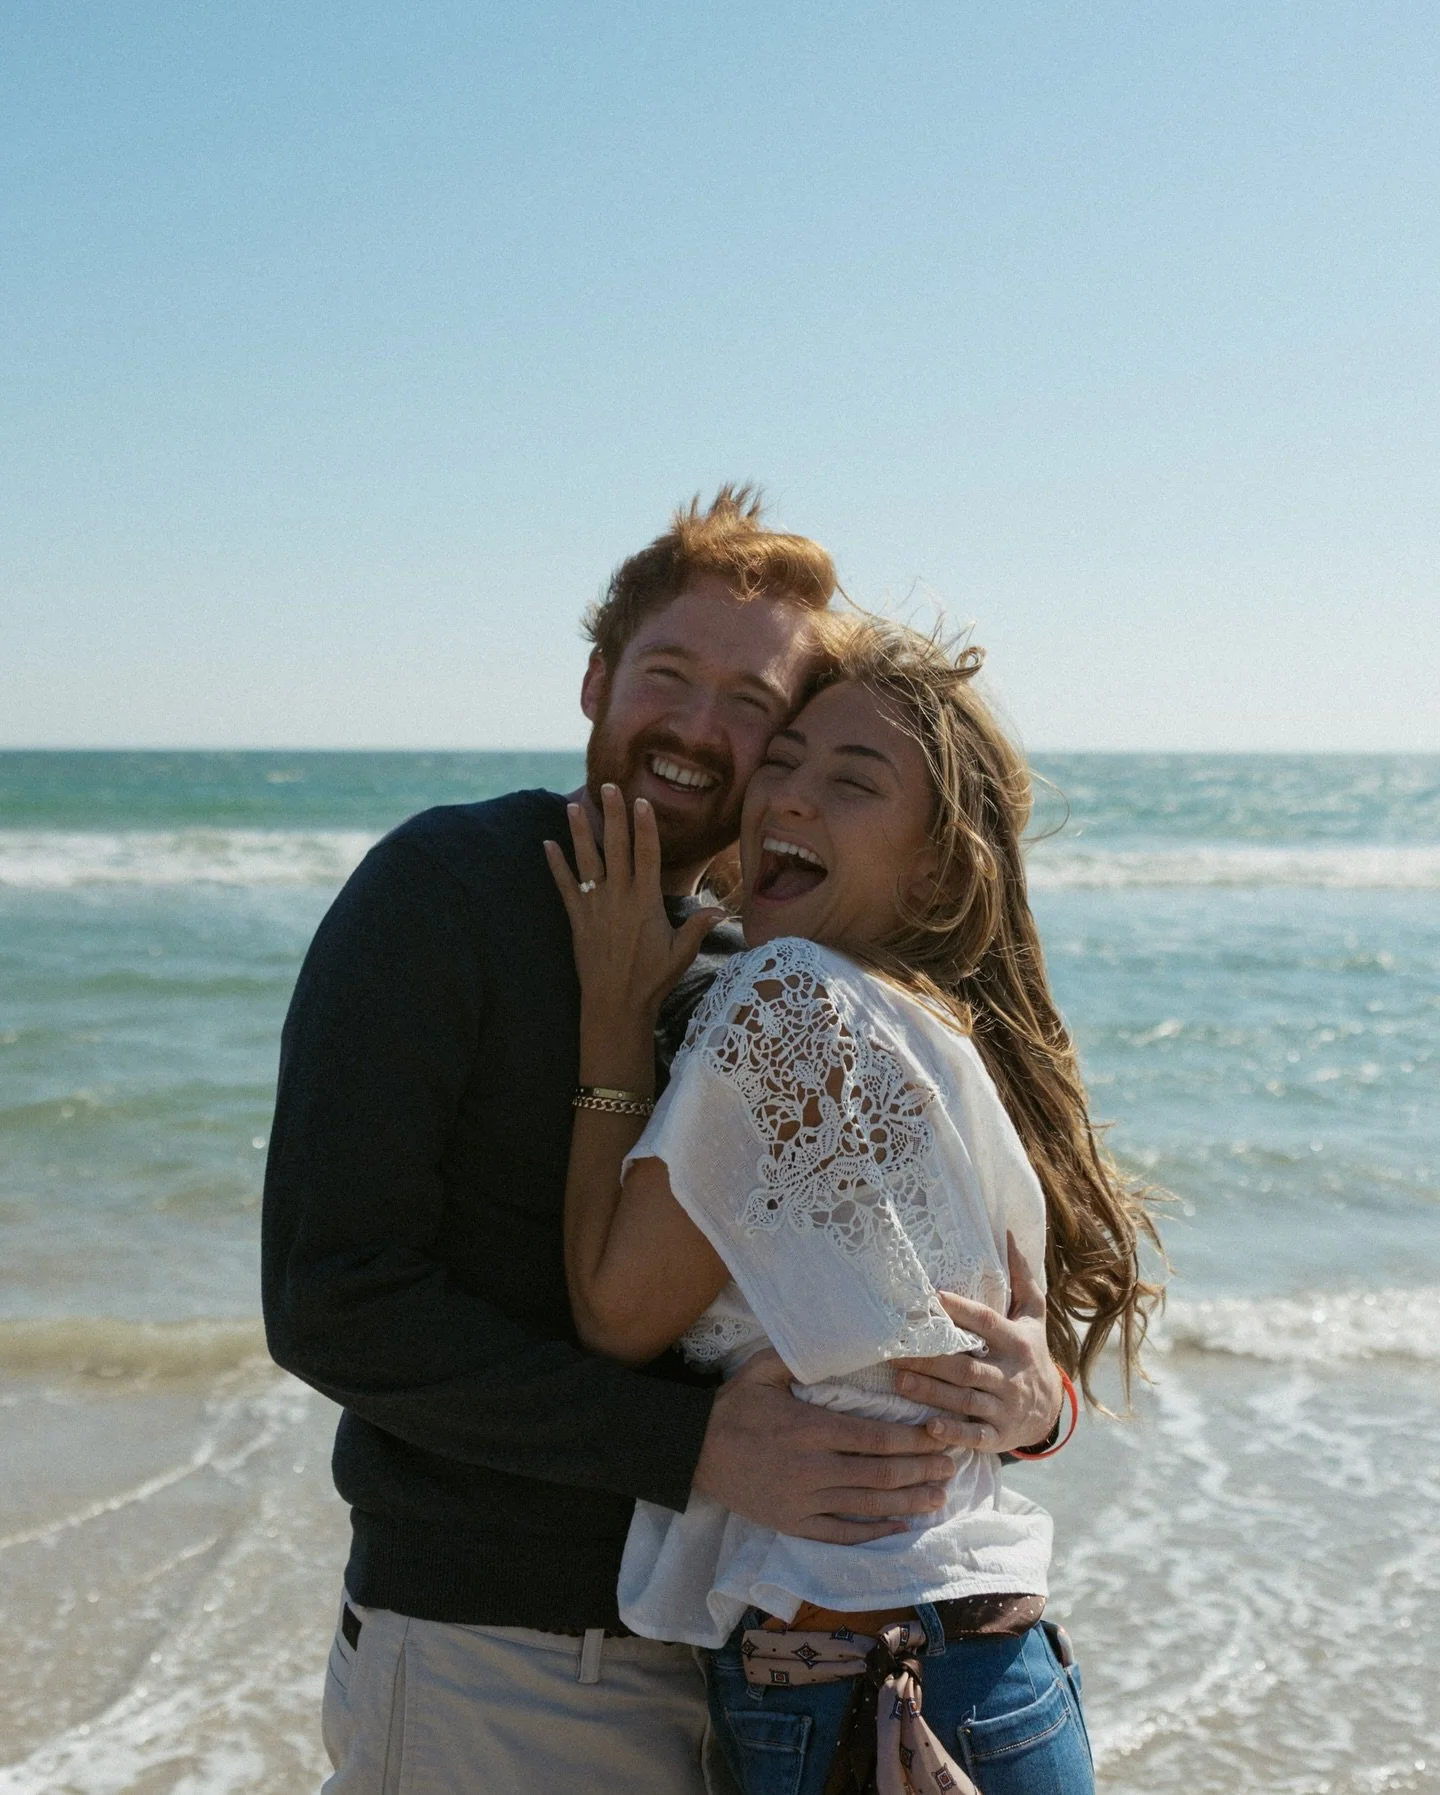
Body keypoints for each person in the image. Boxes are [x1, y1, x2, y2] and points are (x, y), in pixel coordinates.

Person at [262, 490, 1064, 1795]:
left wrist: (1034, 1407)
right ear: (596, 679)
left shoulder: (779, 961)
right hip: (503, 1658)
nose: (698, 727)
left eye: (752, 704)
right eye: (669, 674)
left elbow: (914, 1288)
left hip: (752, 1669)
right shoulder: (445, 890)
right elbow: (332, 1300)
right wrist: (692, 1447)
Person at [547, 615, 1163, 1794]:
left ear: (937, 866)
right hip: (992, 1665)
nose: (789, 794)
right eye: (782, 761)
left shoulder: (786, 996)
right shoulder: (939, 1029)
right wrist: (1046, 1411)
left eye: (852, 779)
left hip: (862, 1692)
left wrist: (613, 1015)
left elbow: (613, 1314)